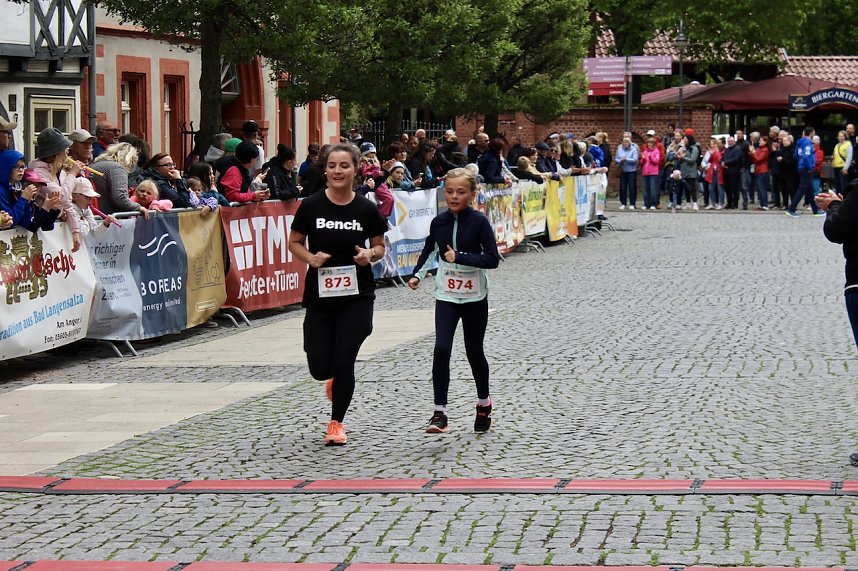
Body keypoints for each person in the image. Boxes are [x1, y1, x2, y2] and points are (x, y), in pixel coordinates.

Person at [287, 143, 388, 446]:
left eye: (344, 166)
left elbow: (381, 247)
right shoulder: (312, 206)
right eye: (332, 166)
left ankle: (336, 423)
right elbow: (294, 242)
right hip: (321, 296)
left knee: (344, 359)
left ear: (356, 169)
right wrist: (310, 259)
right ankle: (332, 379)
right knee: (320, 367)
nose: (337, 171)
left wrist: (369, 255)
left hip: (358, 296)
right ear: (325, 170)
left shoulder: (366, 209)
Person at [408, 167, 500, 433]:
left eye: (460, 192)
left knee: (474, 352)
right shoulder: (439, 222)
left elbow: (492, 259)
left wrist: (460, 257)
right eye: (449, 192)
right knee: (441, 349)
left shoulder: (479, 222)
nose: (454, 197)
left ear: (472, 194)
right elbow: (430, 248)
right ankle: (440, 413)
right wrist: (417, 275)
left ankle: (483, 403)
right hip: (446, 296)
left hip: (474, 297)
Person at [28, 128, 83, 251]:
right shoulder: (38, 173)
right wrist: (72, 174)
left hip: (50, 228)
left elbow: (67, 203)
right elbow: (61, 197)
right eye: (64, 149)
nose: (67, 152)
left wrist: (75, 232)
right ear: (56, 153)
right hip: (38, 232)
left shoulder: (60, 172)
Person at [0, 151, 61, 231]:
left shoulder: (16, 189)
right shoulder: (2, 190)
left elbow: (26, 223)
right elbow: (11, 220)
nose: (21, 170)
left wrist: (51, 209)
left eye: (22, 167)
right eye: (16, 166)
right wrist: (23, 199)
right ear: (6, 167)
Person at [91, 142, 148, 217]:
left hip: (93, 215)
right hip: (108, 218)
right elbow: (120, 198)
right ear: (130, 159)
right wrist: (138, 207)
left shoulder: (95, 165)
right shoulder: (117, 168)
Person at [787, 127, 818, 217]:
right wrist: (809, 167)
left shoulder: (799, 143)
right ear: (811, 133)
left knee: (809, 189)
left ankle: (815, 209)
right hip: (806, 168)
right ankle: (792, 208)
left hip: (800, 167)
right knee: (802, 189)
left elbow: (795, 155)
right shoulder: (808, 143)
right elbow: (807, 156)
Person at [615, 136, 639, 209]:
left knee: (632, 187)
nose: (625, 144)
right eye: (624, 142)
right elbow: (616, 159)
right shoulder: (620, 150)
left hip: (632, 171)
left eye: (627, 142)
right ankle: (623, 203)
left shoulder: (634, 149)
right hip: (623, 170)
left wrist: (626, 159)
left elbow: (635, 159)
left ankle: (632, 203)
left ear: (629, 143)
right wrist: (620, 160)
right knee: (622, 188)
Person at [678, 134, 700, 211]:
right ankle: (688, 203)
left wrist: (683, 158)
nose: (684, 140)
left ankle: (695, 203)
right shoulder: (684, 148)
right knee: (686, 188)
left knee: (692, 188)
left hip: (691, 172)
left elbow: (692, 160)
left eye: (685, 139)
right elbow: (681, 161)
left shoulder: (694, 148)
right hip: (684, 171)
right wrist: (680, 157)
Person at [749, 135, 770, 211]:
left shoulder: (765, 150)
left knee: (762, 188)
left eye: (761, 141)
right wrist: (752, 153)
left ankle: (765, 204)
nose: (759, 142)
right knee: (759, 188)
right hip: (758, 170)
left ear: (765, 142)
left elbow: (758, 159)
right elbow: (754, 159)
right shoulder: (759, 149)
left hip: (763, 170)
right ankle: (762, 204)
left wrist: (754, 152)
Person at [641, 137, 661, 210]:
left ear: (654, 144)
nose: (649, 144)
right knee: (646, 189)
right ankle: (646, 204)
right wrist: (642, 159)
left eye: (651, 143)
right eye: (648, 143)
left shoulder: (656, 151)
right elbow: (642, 162)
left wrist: (650, 158)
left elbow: (656, 161)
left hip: (653, 172)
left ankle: (654, 203)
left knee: (653, 189)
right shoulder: (645, 151)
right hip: (645, 172)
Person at [833, 130, 854, 196]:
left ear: (845, 137)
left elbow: (849, 157)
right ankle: (838, 202)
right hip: (836, 167)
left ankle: (845, 201)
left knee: (844, 186)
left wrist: (845, 168)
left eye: (842, 136)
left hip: (843, 168)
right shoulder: (837, 145)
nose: (840, 137)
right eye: (839, 136)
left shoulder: (848, 144)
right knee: (837, 186)